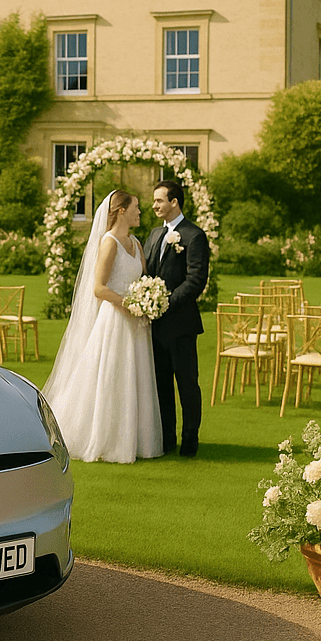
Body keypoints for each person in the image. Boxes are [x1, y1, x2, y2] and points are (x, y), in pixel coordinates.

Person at [41, 190, 163, 464]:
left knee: (136, 378)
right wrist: (129, 304)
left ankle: (137, 441)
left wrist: (147, 298)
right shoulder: (109, 243)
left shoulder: (136, 243)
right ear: (121, 211)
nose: (140, 212)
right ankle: (106, 439)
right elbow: (99, 288)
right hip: (116, 320)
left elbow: (142, 279)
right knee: (113, 378)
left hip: (137, 323)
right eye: (136, 207)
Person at [144, 180, 211, 457]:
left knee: (187, 384)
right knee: (161, 385)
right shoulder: (154, 235)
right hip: (154, 326)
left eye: (159, 200)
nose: (154, 205)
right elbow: (146, 272)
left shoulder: (194, 236)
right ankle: (166, 439)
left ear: (174, 202)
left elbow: (196, 280)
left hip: (182, 324)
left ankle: (190, 440)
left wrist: (165, 303)